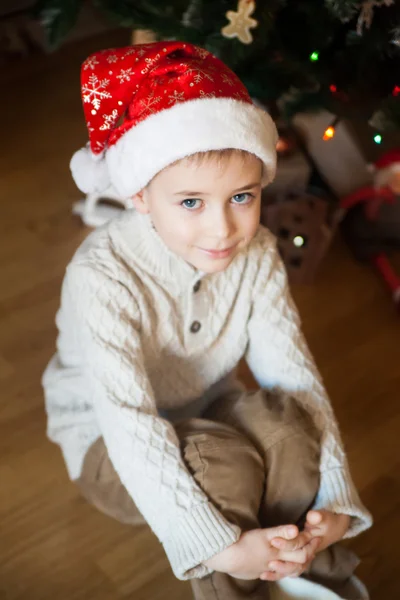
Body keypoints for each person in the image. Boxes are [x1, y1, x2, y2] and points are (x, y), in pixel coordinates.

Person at [42, 41, 372, 600]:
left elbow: (295, 378)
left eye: (241, 196)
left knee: (289, 426)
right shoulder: (100, 274)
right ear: (141, 195)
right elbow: (129, 422)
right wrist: (217, 545)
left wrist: (334, 500)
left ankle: (306, 570)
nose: (222, 230)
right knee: (225, 468)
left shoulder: (258, 254)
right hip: (108, 441)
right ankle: (233, 582)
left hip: (208, 407)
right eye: (191, 202)